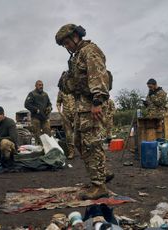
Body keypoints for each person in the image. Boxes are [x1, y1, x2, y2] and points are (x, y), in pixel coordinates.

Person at [55, 23, 112, 200]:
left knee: (91, 143)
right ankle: (99, 175)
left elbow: (98, 76)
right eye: (64, 44)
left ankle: (99, 185)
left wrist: (97, 100)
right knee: (80, 142)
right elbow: (74, 84)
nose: (66, 46)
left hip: (91, 104)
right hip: (81, 105)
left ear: (75, 36)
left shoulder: (90, 51)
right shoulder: (77, 57)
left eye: (67, 42)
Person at [24, 80, 52, 144]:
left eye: (42, 85)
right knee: (37, 135)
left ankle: (49, 148)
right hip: (35, 117)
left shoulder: (45, 94)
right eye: (39, 85)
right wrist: (36, 109)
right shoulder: (32, 94)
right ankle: (39, 149)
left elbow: (49, 103)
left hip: (44, 117)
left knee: (48, 132)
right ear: (36, 86)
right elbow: (26, 104)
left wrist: (49, 108)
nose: (41, 86)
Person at [56, 76, 76, 159]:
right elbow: (58, 102)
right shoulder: (61, 91)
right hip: (66, 115)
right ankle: (71, 152)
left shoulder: (75, 89)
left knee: (79, 134)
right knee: (68, 135)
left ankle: (83, 151)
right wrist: (60, 112)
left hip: (76, 114)